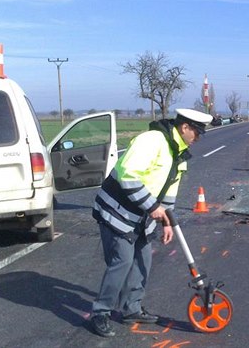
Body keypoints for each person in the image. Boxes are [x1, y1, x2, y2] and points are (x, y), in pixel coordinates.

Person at [89, 108, 213, 337]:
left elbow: (169, 191)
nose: (198, 138)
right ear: (185, 128)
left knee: (143, 260)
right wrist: (153, 207)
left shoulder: (179, 152)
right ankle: (101, 312)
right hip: (116, 211)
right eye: (197, 133)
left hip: (141, 214)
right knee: (122, 262)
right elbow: (127, 176)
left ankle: (131, 309)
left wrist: (167, 220)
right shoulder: (152, 141)